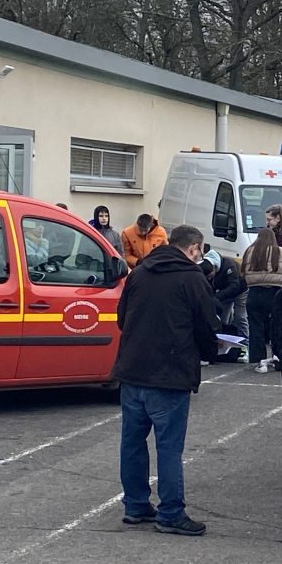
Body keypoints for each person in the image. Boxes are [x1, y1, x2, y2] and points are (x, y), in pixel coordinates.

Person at [112, 224, 220, 536]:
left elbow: (122, 317)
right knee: (169, 447)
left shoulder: (141, 272)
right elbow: (207, 325)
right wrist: (212, 348)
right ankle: (171, 511)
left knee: (132, 442)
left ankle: (135, 504)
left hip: (132, 370)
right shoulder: (192, 277)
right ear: (195, 248)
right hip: (170, 374)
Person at [242, 228, 282, 372]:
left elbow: (242, 270)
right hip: (275, 292)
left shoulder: (250, 251)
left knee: (256, 327)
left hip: (254, 292)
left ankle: (259, 360)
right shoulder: (279, 251)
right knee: (277, 327)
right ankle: (278, 358)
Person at [199, 250, 246, 327]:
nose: (209, 278)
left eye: (210, 276)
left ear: (214, 267)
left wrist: (216, 297)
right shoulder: (208, 270)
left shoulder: (229, 266)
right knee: (223, 317)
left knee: (240, 318)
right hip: (225, 292)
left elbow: (234, 286)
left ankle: (244, 337)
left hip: (240, 291)